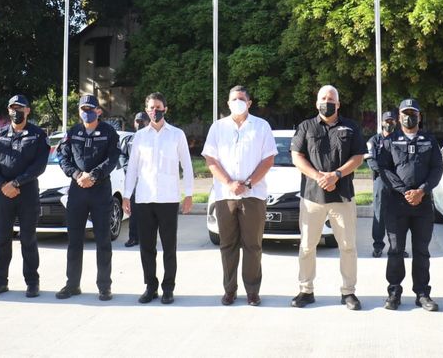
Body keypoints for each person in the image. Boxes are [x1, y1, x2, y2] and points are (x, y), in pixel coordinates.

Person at [290, 85, 366, 310]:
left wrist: (337, 174)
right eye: (323, 98)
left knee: (348, 247)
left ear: (338, 104)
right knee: (307, 246)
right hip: (312, 197)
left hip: (342, 197)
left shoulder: (350, 127)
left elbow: (359, 156)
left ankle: (348, 292)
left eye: (331, 98)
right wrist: (318, 177)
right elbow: (297, 156)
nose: (327, 101)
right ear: (316, 103)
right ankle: (306, 290)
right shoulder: (306, 126)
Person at [202, 85, 278, 306]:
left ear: (249, 102)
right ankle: (229, 290)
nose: (238, 102)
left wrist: (247, 183)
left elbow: (268, 160)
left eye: (242, 99)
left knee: (253, 245)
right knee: (228, 245)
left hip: (253, 195)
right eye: (234, 99)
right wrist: (229, 183)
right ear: (227, 103)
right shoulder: (217, 128)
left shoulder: (261, 126)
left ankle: (252, 291)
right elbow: (211, 161)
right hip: (225, 196)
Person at [123, 92, 194, 304]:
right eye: (151, 107)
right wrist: (127, 195)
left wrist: (188, 194)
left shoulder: (177, 135)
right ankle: (150, 286)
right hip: (144, 199)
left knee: (169, 247)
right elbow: (133, 168)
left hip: (169, 199)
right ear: (146, 111)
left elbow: (187, 166)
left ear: (165, 108)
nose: (155, 111)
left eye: (158, 107)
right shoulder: (140, 136)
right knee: (147, 247)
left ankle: (168, 288)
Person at [376, 98, 443, 311]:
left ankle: (422, 293)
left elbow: (437, 169)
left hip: (422, 204)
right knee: (396, 250)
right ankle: (394, 292)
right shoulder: (389, 141)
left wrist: (421, 191)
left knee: (421, 250)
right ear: (398, 117)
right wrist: (405, 191)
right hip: (397, 204)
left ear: (419, 116)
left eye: (413, 112)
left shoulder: (430, 141)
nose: (409, 116)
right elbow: (384, 170)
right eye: (405, 113)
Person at [55, 95, 121, 301]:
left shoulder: (109, 132)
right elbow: (63, 157)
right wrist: (77, 175)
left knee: (103, 240)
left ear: (98, 111)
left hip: (100, 191)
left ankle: (104, 286)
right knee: (74, 241)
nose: (87, 111)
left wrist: (93, 175)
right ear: (79, 111)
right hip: (77, 191)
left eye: (91, 108)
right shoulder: (72, 132)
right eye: (83, 108)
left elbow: (113, 158)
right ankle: (72, 285)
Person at [0, 94, 49, 298]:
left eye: (20, 107)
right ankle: (0, 281)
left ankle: (32, 282)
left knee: (28, 239)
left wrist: (17, 183)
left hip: (27, 192)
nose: (15, 111)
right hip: (3, 193)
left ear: (28, 110)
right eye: (12, 107)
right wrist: (3, 184)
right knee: (2, 239)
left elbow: (39, 165)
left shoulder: (38, 135)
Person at [366, 111, 395, 258]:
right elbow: (372, 162)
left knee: (397, 216)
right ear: (382, 123)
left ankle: (397, 247)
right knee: (379, 214)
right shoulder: (374, 140)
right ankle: (378, 245)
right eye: (387, 121)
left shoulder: (399, 139)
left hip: (398, 184)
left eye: (391, 121)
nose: (389, 124)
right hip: (381, 181)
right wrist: (388, 174)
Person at [120, 111, 150, 248]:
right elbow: (122, 156)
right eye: (137, 122)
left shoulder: (152, 138)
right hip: (134, 182)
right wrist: (129, 168)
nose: (139, 124)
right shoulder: (129, 140)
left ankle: (148, 238)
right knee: (134, 212)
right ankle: (134, 238)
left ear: (148, 122)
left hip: (149, 181)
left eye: (142, 121)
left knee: (149, 212)